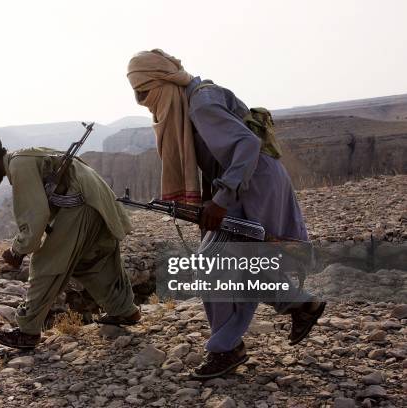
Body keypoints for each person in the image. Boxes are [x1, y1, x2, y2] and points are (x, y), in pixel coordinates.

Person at [127, 49, 326, 379]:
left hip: (254, 183)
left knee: (214, 264)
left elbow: (246, 146)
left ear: (162, 82)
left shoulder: (201, 103)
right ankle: (301, 305)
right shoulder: (196, 98)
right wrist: (209, 204)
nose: (147, 104)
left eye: (147, 95)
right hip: (244, 182)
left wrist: (220, 201)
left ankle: (227, 348)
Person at [0, 134, 140, 349]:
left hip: (82, 207)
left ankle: (27, 332)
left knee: (45, 265)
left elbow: (35, 217)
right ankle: (124, 311)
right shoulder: (26, 155)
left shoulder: (19, 166)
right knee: (89, 262)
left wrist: (17, 250)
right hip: (96, 202)